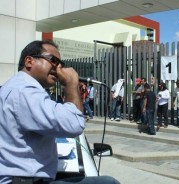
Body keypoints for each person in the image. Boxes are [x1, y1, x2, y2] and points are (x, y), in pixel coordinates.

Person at [0, 40, 119, 184]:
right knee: (109, 182)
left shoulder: (16, 87)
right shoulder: (25, 91)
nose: (58, 68)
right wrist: (70, 83)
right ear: (29, 61)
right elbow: (74, 124)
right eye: (53, 60)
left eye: (60, 63)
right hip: (24, 180)